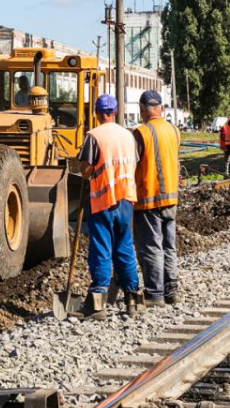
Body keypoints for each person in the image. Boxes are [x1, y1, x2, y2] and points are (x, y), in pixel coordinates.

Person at [77, 94, 142, 319]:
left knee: (101, 249)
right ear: (114, 112)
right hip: (126, 199)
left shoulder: (93, 136)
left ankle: (97, 303)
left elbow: (85, 168)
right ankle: (132, 300)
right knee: (124, 248)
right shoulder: (128, 135)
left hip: (103, 201)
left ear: (96, 113)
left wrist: (88, 172)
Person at [132, 91, 182, 307]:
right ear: (161, 108)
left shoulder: (141, 132)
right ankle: (172, 290)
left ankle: (154, 294)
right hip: (171, 198)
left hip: (149, 199)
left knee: (151, 246)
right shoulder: (174, 130)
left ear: (142, 109)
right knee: (169, 246)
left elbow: (133, 164)